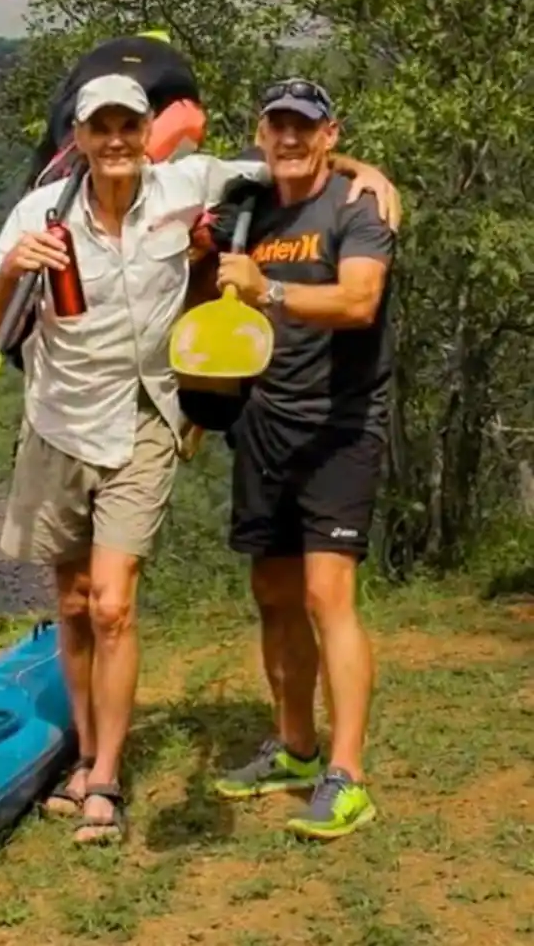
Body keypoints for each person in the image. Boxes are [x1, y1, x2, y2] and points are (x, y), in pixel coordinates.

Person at [0, 72, 398, 845]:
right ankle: (254, 747)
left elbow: (329, 243)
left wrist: (367, 172)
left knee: (144, 600)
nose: (114, 141)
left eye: (128, 126)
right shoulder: (58, 213)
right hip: (112, 420)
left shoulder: (262, 192)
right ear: (80, 136)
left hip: (238, 422)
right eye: (99, 127)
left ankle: (323, 773)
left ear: (144, 132)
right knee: (116, 601)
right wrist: (11, 271)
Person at [211, 77, 394, 840]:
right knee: (274, 593)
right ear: (261, 132)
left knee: (328, 595)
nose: (289, 138)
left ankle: (346, 774)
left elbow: (358, 302)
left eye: (305, 127)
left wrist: (269, 290)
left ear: (328, 133)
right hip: (265, 425)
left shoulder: (359, 208)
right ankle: (295, 746)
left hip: (341, 428)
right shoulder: (244, 205)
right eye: (277, 125)